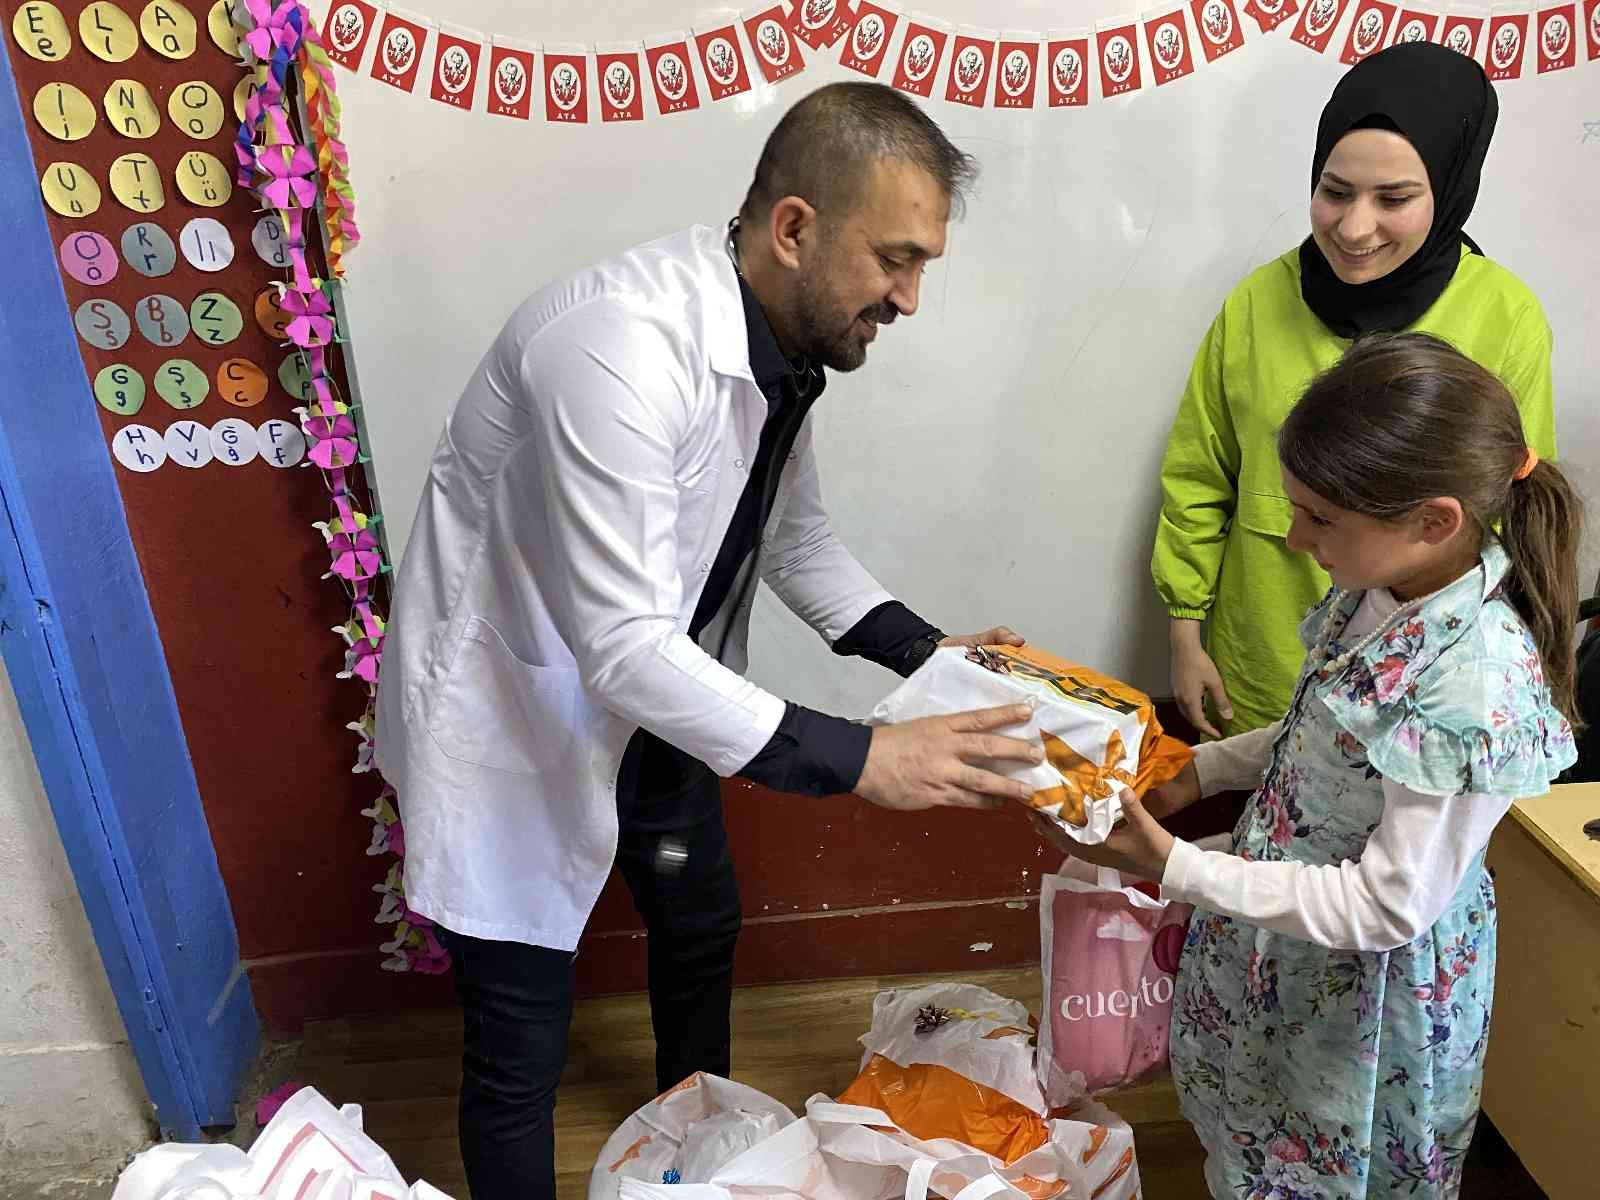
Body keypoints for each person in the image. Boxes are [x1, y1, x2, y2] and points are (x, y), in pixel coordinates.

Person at [375, 83, 1045, 1200]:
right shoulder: (617, 348)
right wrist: (867, 758)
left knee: (697, 923)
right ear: (792, 229)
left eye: (923, 263)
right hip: (513, 718)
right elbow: (623, 644)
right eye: (895, 259)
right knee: (519, 1047)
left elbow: (800, 544)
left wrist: (933, 659)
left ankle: (708, 1154)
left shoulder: (782, 349)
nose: (910, 297)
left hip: (658, 701)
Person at [1039, 332, 1581, 1198]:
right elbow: (1324, 731)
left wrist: (1170, 864)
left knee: (1327, 1171)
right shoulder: (1381, 587)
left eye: (1319, 518)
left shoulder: (1473, 684)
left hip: (1367, 996)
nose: (1295, 538)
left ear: (1434, 520)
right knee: (1253, 1139)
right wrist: (1205, 771)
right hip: (1283, 935)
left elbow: (1385, 905)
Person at [1153, 41, 1558, 740]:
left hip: (1416, 688)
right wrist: (1185, 635)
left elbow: (1512, 511)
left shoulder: (1504, 317)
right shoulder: (1257, 302)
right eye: (1335, 191)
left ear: (1453, 186)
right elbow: (1199, 476)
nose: (1353, 226)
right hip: (1262, 660)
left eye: (1394, 198)